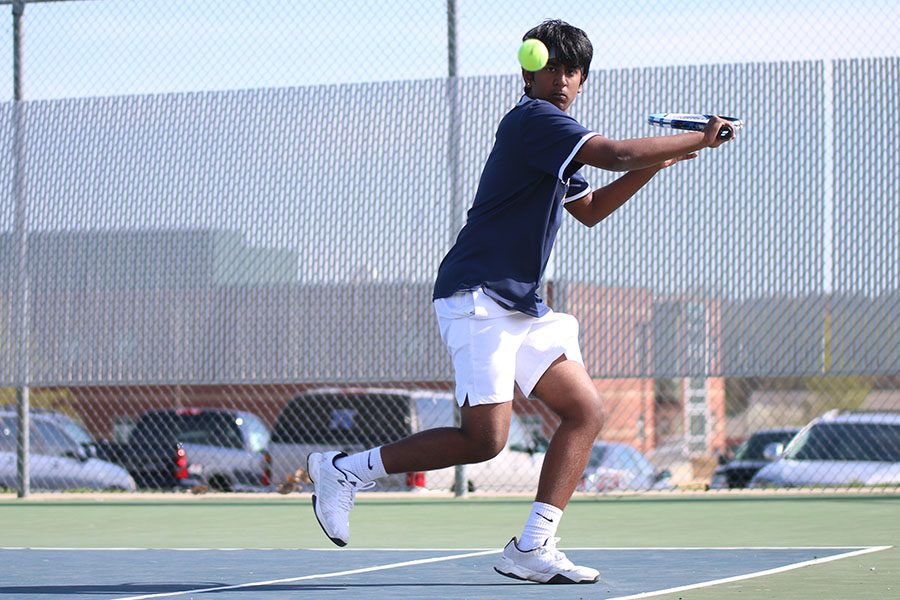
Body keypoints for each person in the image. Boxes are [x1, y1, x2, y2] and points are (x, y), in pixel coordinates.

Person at [308, 18, 734, 584]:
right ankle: (345, 470)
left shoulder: (558, 135)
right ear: (529, 72)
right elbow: (616, 151)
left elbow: (590, 208)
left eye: (574, 71)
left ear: (582, 79)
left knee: (585, 412)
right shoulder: (534, 121)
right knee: (484, 441)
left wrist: (658, 161)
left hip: (522, 304)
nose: (563, 79)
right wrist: (696, 136)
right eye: (552, 67)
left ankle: (533, 546)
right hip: (478, 295)